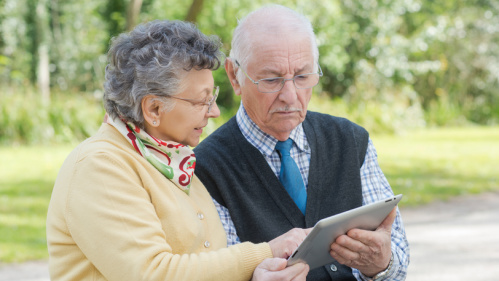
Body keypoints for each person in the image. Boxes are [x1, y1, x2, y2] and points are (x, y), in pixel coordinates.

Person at [46, 20, 310, 281]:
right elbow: (153, 273)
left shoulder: (173, 162)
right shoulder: (100, 166)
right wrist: (266, 252)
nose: (214, 112)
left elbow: (207, 267)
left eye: (213, 98)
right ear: (153, 109)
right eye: (202, 101)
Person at [194, 5, 410, 281]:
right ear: (235, 76)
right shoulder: (206, 168)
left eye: (302, 77)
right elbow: (219, 271)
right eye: (272, 79)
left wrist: (380, 265)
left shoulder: (351, 141)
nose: (290, 95)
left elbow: (398, 264)